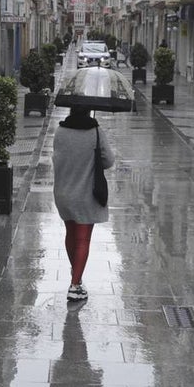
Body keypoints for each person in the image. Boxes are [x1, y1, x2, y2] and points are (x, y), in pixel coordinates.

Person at [52, 106, 114, 301]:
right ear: (89, 111)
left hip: (63, 192)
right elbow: (108, 161)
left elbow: (57, 158)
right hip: (86, 194)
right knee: (83, 239)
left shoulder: (60, 131)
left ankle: (75, 275)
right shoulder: (95, 132)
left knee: (70, 233)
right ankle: (75, 284)